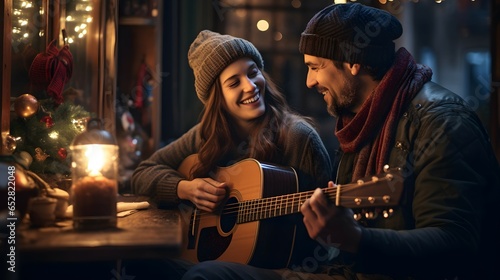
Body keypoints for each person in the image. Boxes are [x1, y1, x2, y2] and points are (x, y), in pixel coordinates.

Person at [180, 3, 500, 280]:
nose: (309, 81)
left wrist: (357, 239)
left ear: (353, 62)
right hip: (346, 270)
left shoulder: (442, 120)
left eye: (315, 67)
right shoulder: (361, 120)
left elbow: (455, 241)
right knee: (160, 268)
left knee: (208, 275)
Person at [129, 30, 333, 277]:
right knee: (135, 261)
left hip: (278, 266)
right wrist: (185, 188)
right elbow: (142, 173)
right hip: (208, 257)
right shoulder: (205, 134)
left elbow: (325, 238)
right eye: (234, 82)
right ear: (217, 98)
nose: (250, 86)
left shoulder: (299, 137)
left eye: (252, 72)